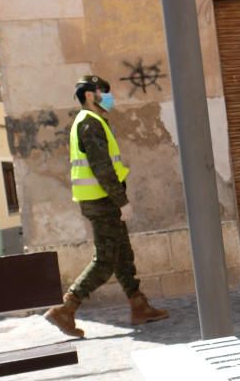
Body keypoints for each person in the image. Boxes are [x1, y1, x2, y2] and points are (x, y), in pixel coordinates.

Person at [45, 75, 168, 338]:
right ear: (90, 95)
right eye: (105, 91)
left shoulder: (94, 121)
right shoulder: (89, 124)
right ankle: (66, 308)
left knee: (122, 252)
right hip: (102, 201)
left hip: (101, 199)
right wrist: (121, 202)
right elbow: (103, 167)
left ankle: (139, 305)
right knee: (105, 259)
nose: (109, 96)